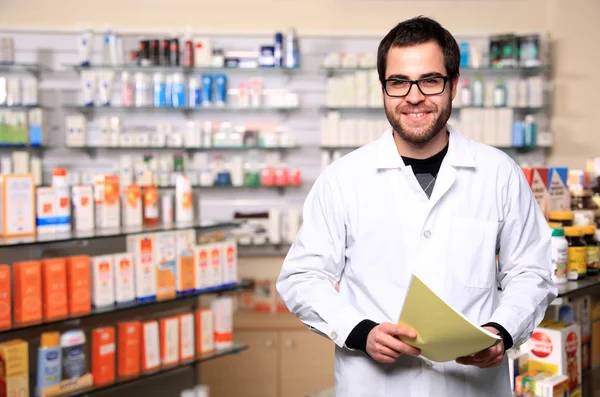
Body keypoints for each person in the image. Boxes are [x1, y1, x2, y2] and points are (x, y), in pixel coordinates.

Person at [276, 16, 557, 397]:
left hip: (471, 386)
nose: (413, 96)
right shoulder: (342, 179)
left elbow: (531, 271)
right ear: (384, 90)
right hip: (375, 385)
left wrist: (502, 331)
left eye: (430, 80)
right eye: (398, 82)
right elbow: (302, 277)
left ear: (453, 85)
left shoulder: (498, 173)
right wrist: (361, 332)